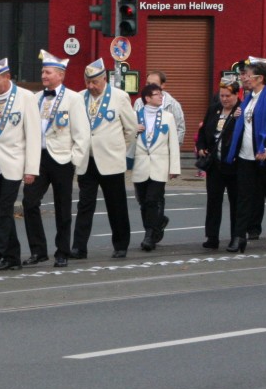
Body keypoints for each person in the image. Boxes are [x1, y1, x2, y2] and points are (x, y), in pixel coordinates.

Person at [22, 50, 88, 267]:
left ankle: (62, 251)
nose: (44, 76)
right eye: (42, 72)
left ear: (61, 75)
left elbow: (82, 133)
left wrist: (74, 160)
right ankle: (38, 250)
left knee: (63, 206)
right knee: (29, 202)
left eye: (48, 72)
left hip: (62, 159)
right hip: (38, 158)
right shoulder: (35, 98)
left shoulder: (74, 99)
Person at [0, 58, 41, 273]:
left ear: (7, 76)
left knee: (6, 207)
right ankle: (13, 257)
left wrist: (31, 168)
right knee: (0, 208)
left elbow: (33, 135)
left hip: (14, 162)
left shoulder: (26, 97)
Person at [72, 59, 138, 259]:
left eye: (95, 82)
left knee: (116, 204)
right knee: (84, 205)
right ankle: (79, 247)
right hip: (87, 160)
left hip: (111, 160)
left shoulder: (119, 97)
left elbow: (131, 129)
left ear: (104, 79)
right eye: (88, 82)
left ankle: (121, 244)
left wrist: (118, 148)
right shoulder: (79, 97)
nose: (91, 86)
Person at [225, 60, 266, 252]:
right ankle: (238, 237)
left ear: (260, 78)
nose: (245, 78)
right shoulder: (247, 99)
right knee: (243, 198)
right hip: (246, 157)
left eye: (248, 75)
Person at [132, 83, 182, 251]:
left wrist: (174, 167)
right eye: (157, 94)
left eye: (161, 94)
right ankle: (158, 222)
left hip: (160, 165)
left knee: (152, 200)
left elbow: (173, 143)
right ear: (147, 98)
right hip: (140, 165)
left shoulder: (168, 117)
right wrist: (133, 130)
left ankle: (149, 235)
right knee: (143, 202)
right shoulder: (134, 116)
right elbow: (123, 138)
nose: (161, 96)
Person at [195, 80, 240, 250]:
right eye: (222, 96)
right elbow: (203, 131)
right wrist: (201, 147)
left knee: (236, 202)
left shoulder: (241, 111)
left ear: (236, 95)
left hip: (234, 164)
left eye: (228, 96)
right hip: (215, 164)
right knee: (213, 201)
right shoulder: (214, 109)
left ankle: (236, 236)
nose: (224, 99)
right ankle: (212, 236)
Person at [133, 70, 186, 146]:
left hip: (163, 150)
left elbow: (180, 129)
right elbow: (132, 124)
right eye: (148, 83)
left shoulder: (173, 105)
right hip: (141, 148)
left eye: (153, 84)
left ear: (162, 85)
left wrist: (172, 148)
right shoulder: (139, 102)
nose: (149, 86)